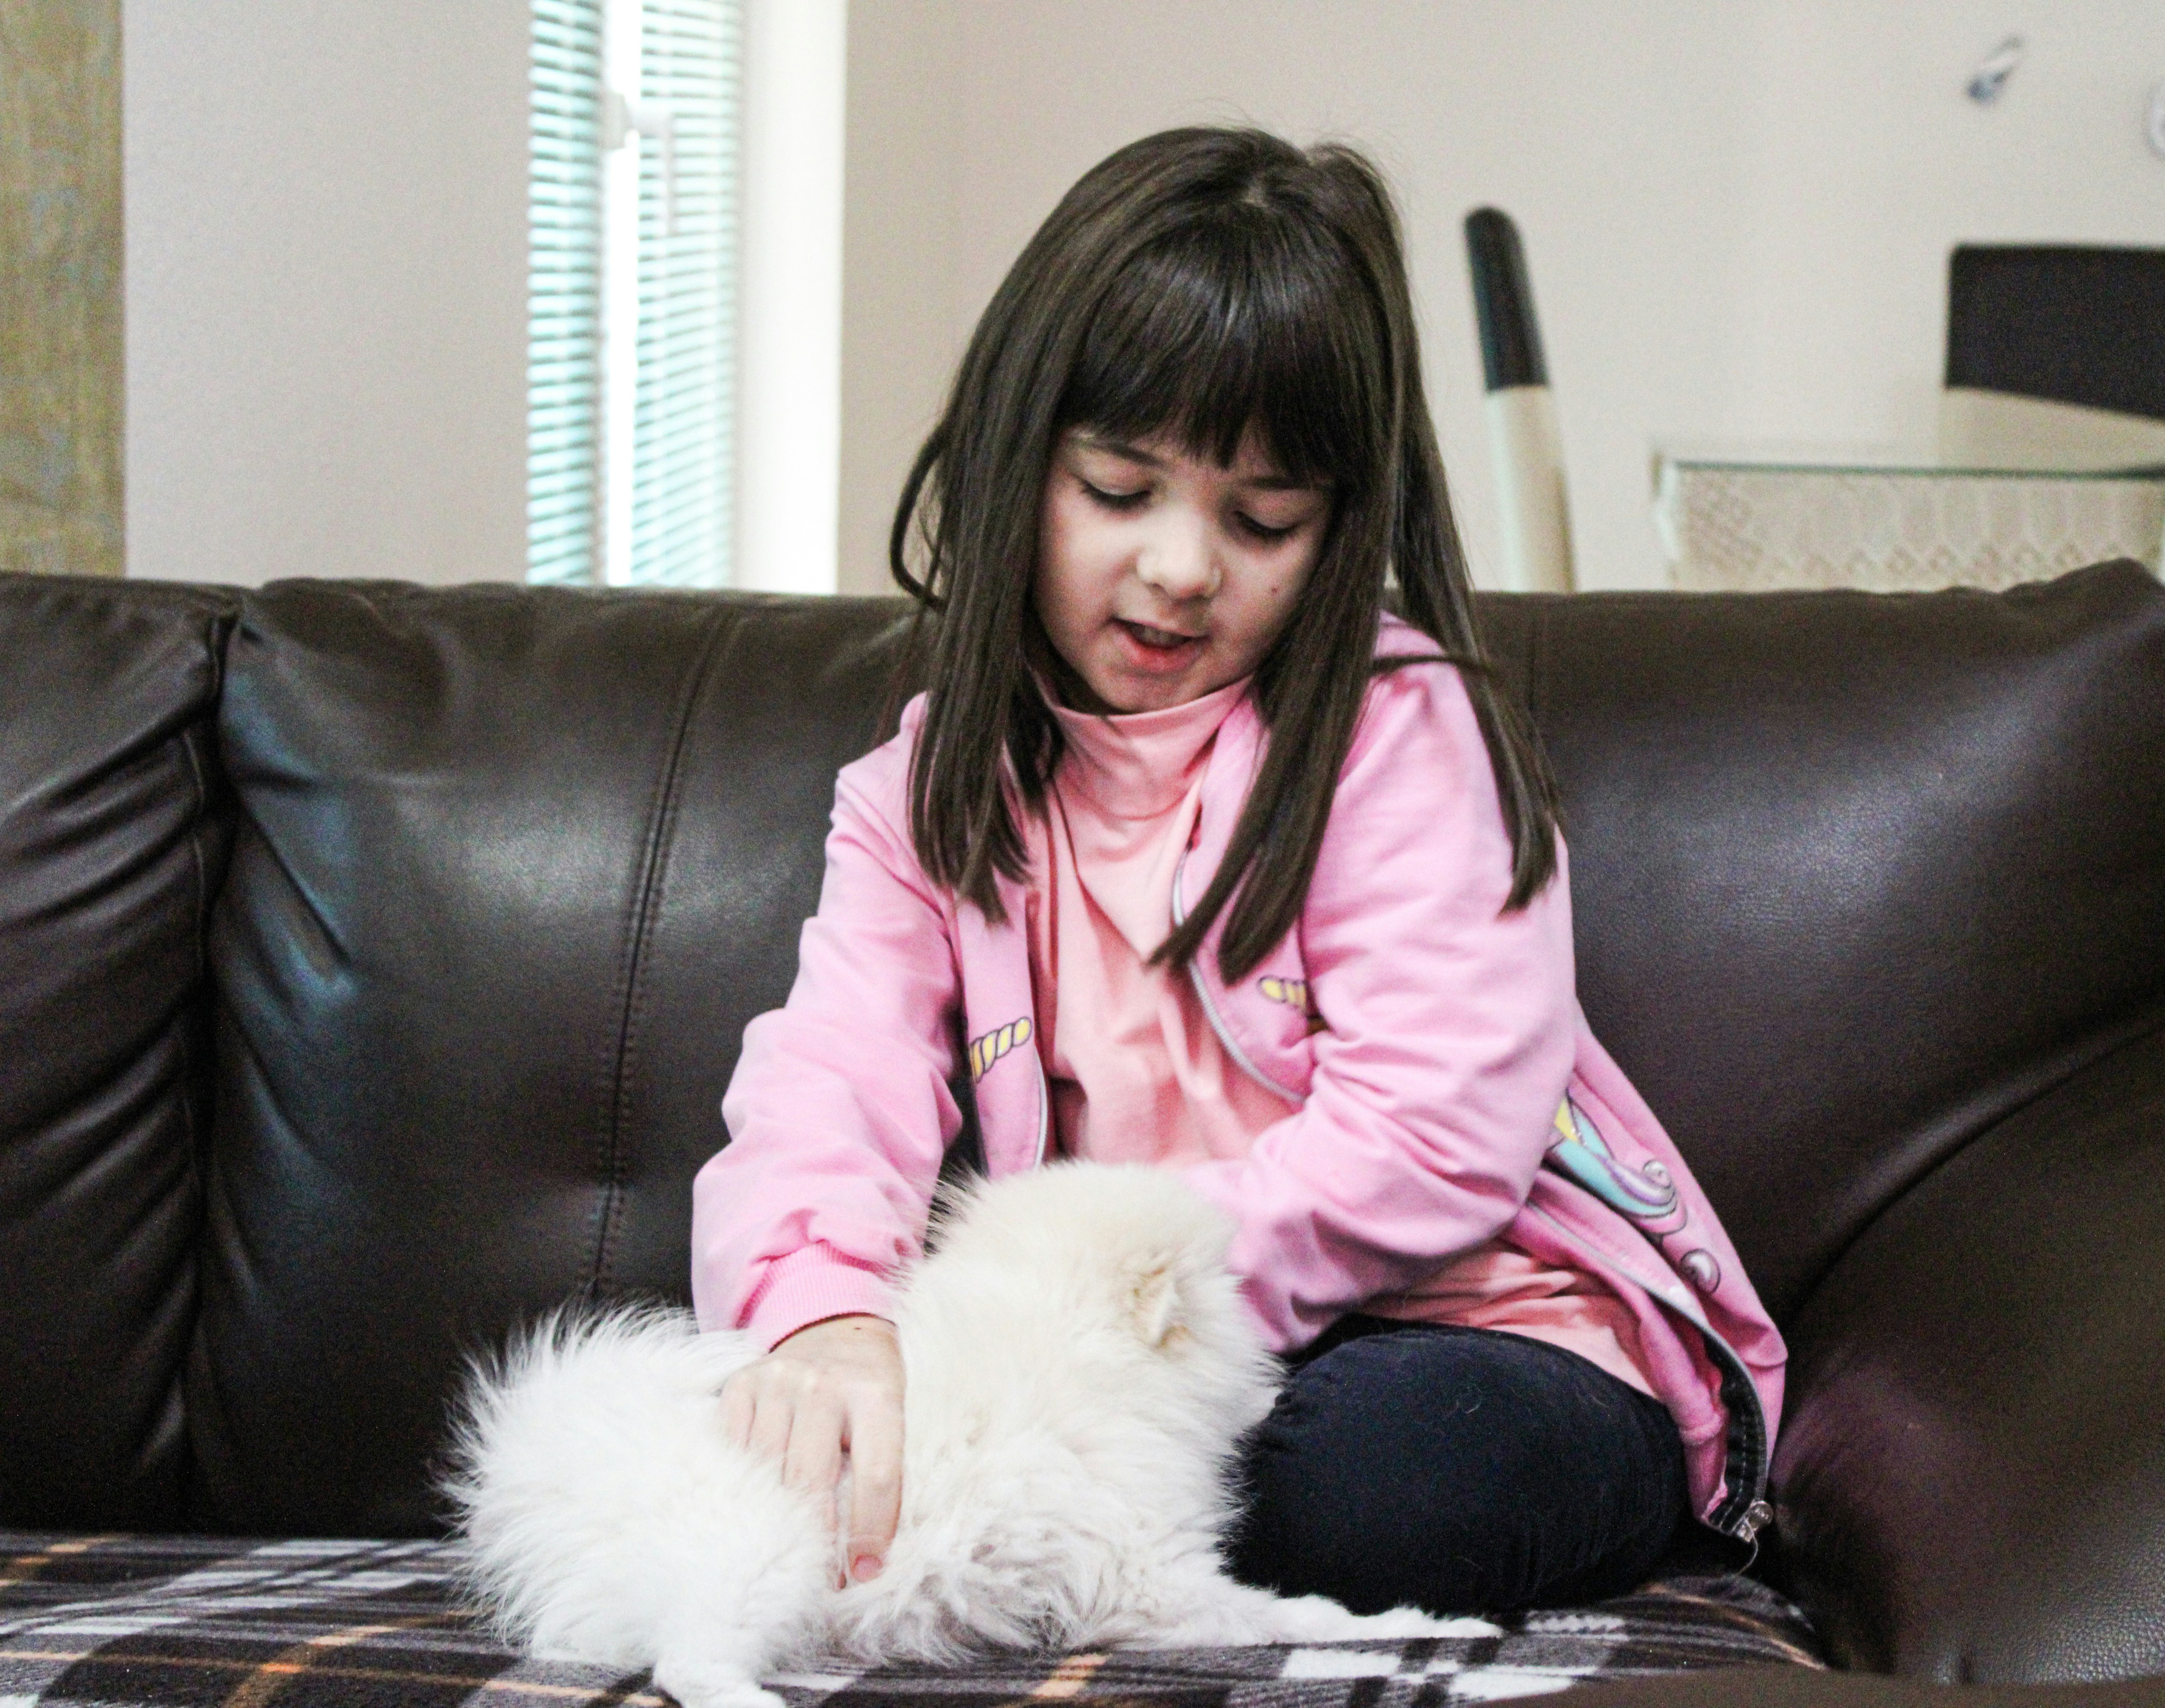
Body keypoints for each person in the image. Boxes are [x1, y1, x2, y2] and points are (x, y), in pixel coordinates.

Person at [691, 126, 1784, 1618]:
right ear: (1022, 467)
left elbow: (1440, 1128)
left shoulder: (1397, 732)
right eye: (1120, 491)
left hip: (1496, 1345)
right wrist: (816, 1317)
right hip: (1161, 1374)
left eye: (1262, 520)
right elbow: (832, 1071)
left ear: (1338, 532)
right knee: (829, 1432)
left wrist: (1110, 1319)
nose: (1185, 567)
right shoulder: (927, 785)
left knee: (1370, 1485)